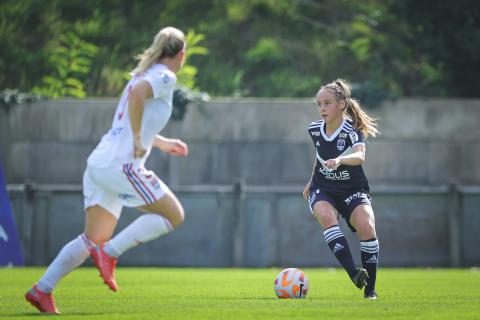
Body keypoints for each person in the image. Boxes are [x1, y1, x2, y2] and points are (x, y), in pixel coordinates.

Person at [25, 26, 189, 314]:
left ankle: (42, 290)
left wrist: (160, 143)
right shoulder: (165, 76)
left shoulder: (143, 74)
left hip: (100, 164)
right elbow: (139, 97)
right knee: (174, 215)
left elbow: (134, 112)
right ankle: (109, 253)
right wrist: (139, 140)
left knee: (92, 237)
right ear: (182, 55)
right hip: (122, 166)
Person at [303, 79, 380, 299]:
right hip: (323, 188)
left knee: (367, 226)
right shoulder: (314, 129)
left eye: (327, 103)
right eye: (319, 104)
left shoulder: (352, 130)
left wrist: (339, 160)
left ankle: (370, 291)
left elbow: (360, 156)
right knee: (327, 217)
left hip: (353, 190)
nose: (322, 108)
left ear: (342, 104)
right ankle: (353, 272)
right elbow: (318, 157)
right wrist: (311, 181)